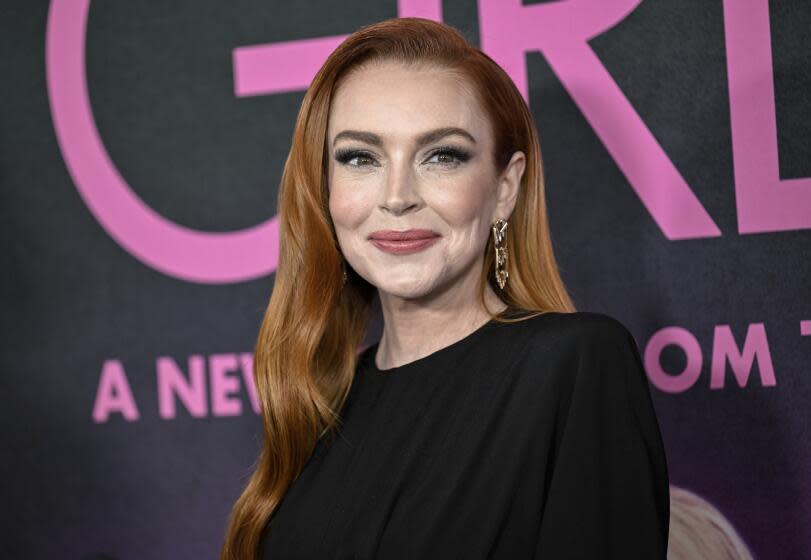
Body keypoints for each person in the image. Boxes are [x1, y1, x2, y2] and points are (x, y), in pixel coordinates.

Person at [221, 16, 669, 560]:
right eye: (360, 157)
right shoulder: (320, 403)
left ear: (505, 188)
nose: (397, 196)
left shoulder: (573, 365)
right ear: (325, 189)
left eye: (442, 155)